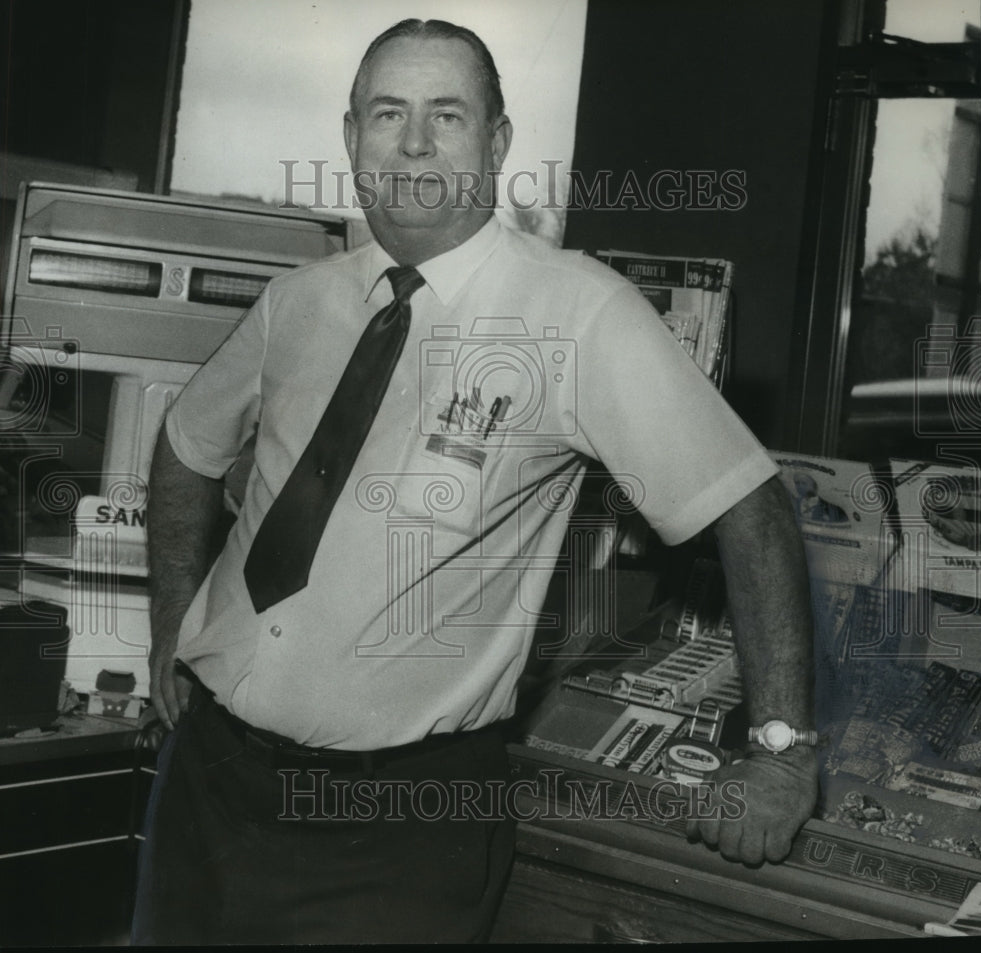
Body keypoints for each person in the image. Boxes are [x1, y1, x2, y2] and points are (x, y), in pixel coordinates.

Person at [132, 17, 818, 945]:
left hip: (396, 827)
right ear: (350, 139)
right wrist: (174, 616)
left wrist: (778, 750)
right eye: (388, 114)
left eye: (446, 116)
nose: (413, 142)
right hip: (208, 787)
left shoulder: (581, 314)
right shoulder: (300, 301)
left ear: (495, 146)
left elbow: (751, 504)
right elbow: (184, 444)